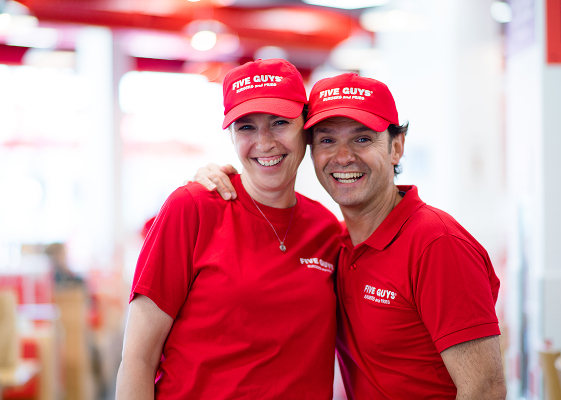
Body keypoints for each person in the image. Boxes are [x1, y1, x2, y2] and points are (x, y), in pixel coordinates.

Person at [193, 73, 506, 399]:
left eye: (362, 139)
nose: (343, 157)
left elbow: (485, 389)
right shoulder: (335, 243)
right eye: (327, 141)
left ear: (396, 147)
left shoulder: (436, 243)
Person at [116, 59, 342, 399]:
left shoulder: (327, 231)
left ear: (306, 128)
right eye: (246, 127)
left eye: (279, 122)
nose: (264, 142)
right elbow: (138, 360)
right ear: (231, 136)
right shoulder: (191, 208)